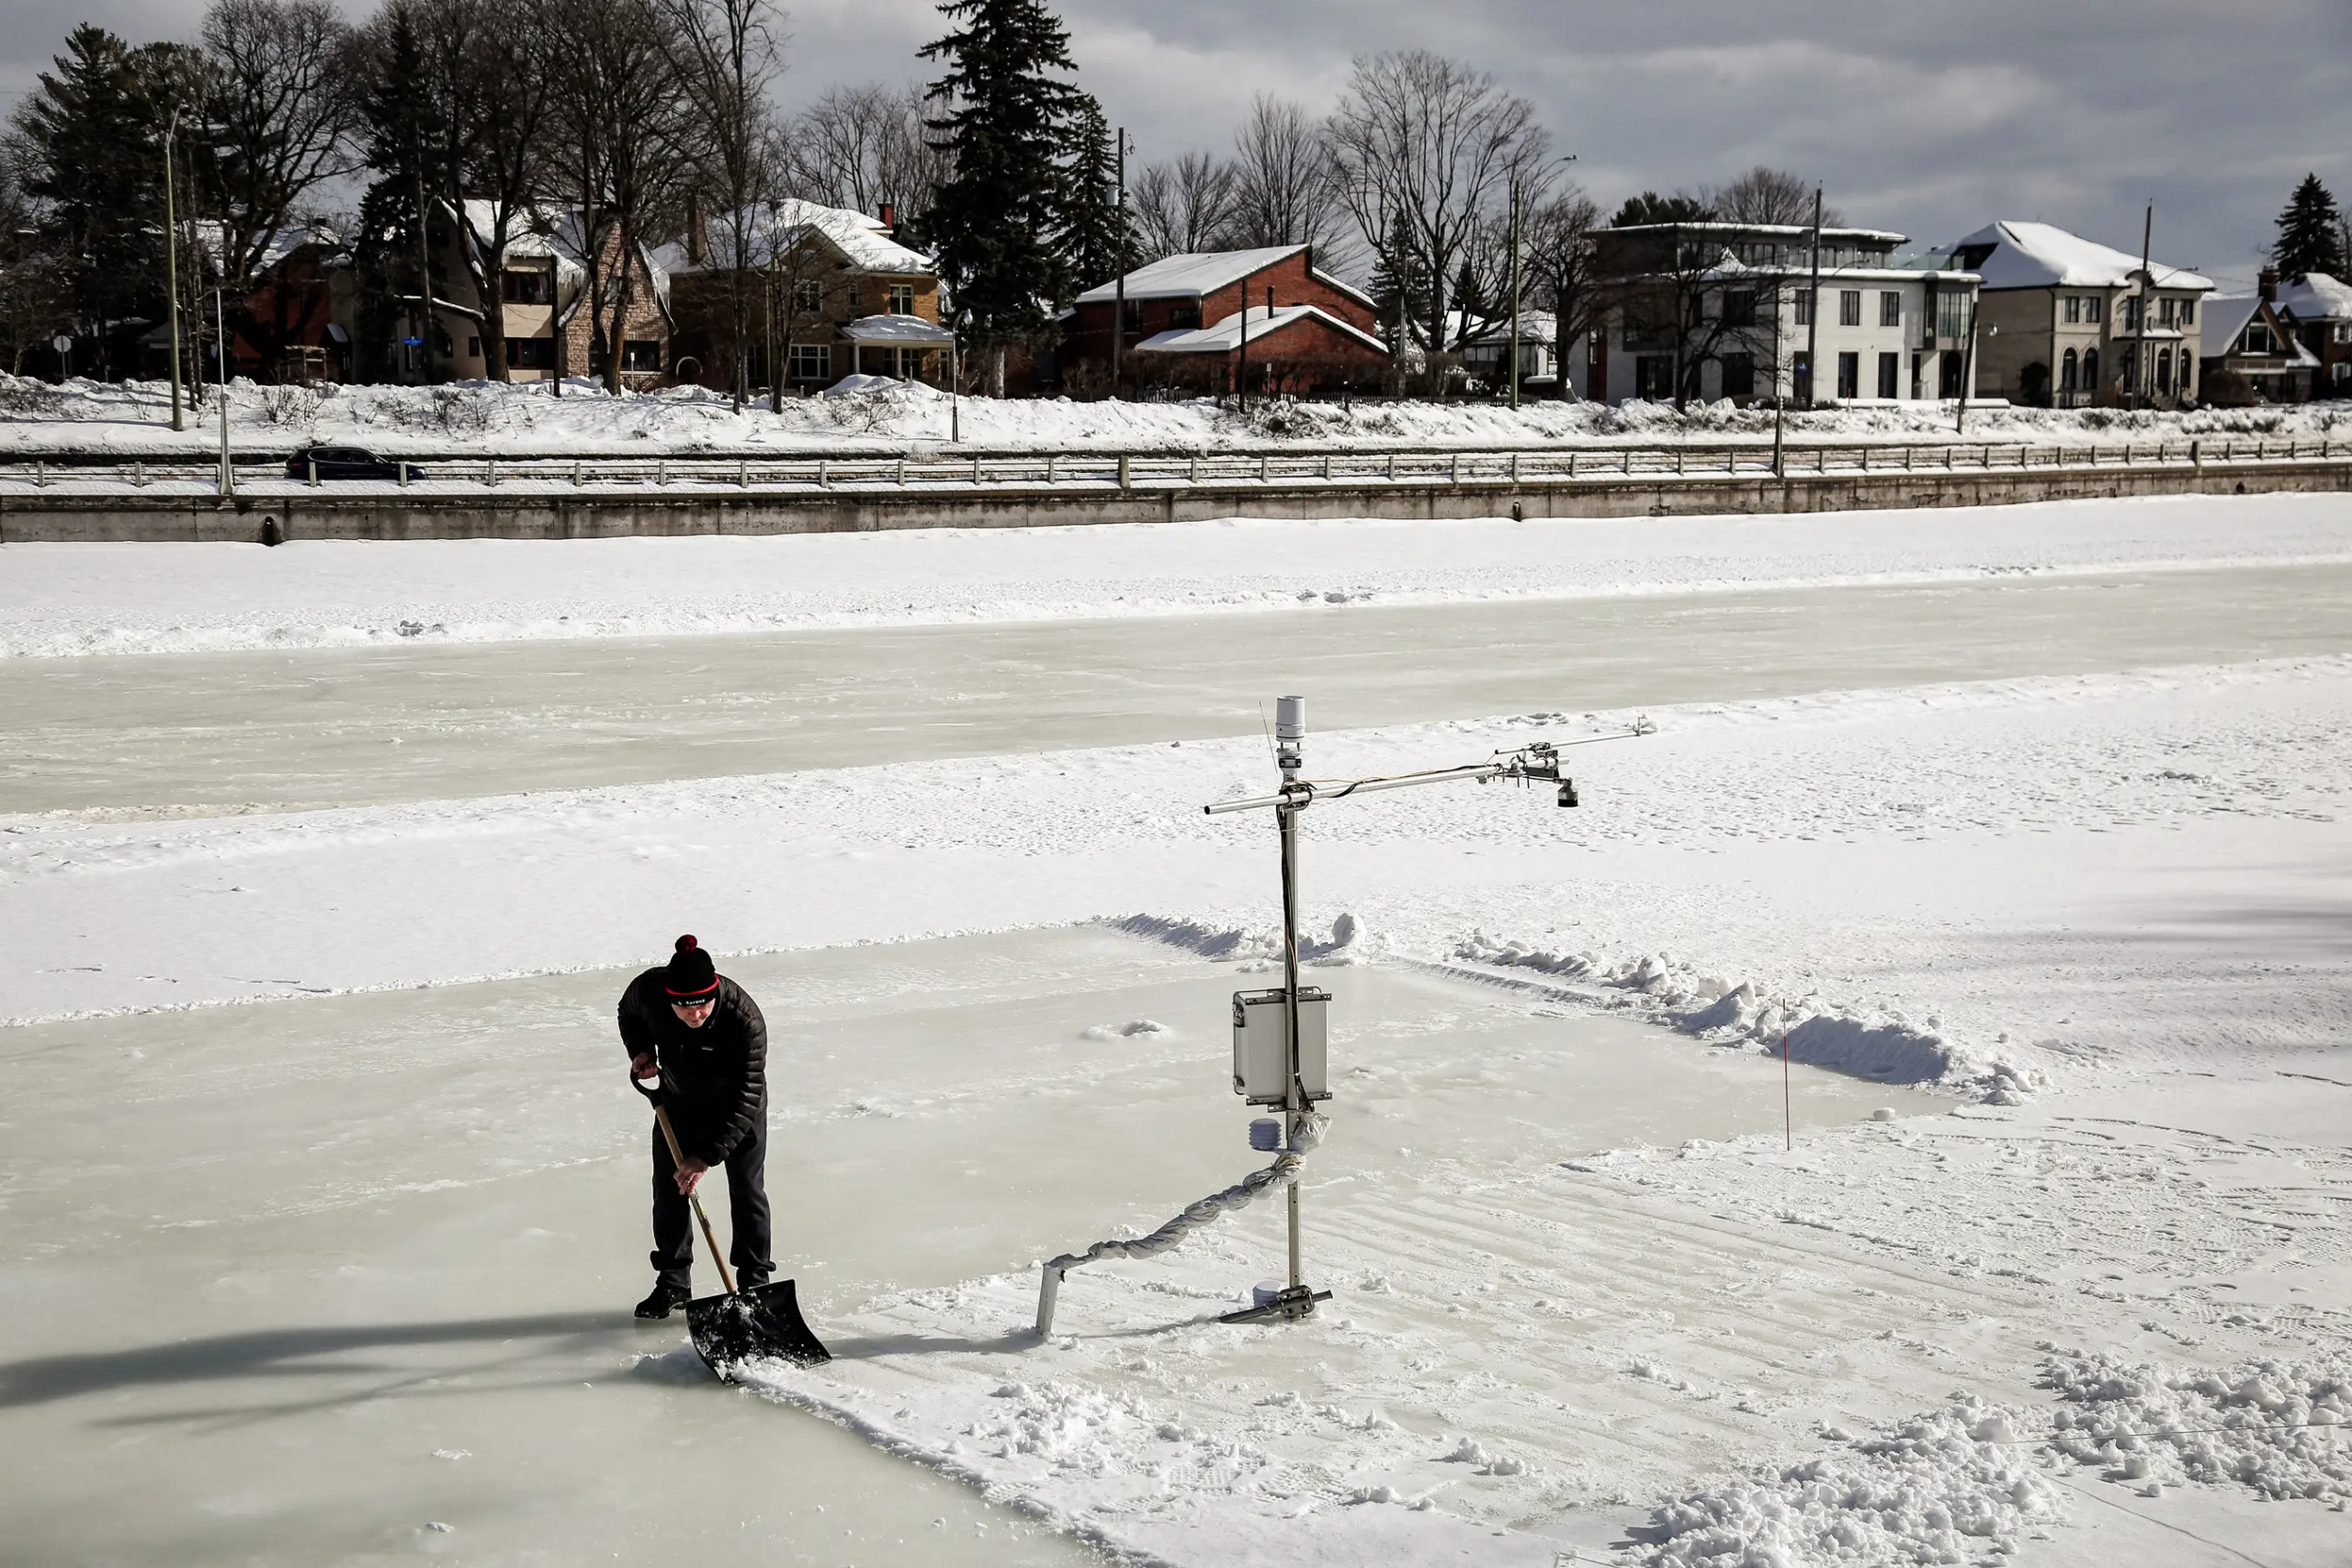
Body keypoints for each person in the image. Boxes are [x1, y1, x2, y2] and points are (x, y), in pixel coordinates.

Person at [619, 935, 770, 1319]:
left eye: (703, 1004)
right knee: (669, 1190)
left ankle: (754, 1282)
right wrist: (641, 1051)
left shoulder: (743, 1019)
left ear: (714, 991)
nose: (696, 1014)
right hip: (678, 1101)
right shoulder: (649, 991)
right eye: (685, 1007)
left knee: (747, 1190)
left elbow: (747, 1095)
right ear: (669, 997)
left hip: (736, 1108)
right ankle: (673, 1282)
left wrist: (705, 1156)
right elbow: (629, 1012)